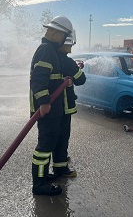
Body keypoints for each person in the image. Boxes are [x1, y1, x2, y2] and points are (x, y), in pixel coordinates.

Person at [30, 15, 73, 196]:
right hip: (47, 109)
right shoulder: (46, 50)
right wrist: (44, 102)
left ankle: (44, 176)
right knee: (45, 146)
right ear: (56, 33)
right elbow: (38, 78)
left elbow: (52, 79)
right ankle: (39, 184)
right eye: (64, 36)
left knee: (51, 142)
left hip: (53, 109)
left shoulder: (51, 51)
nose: (65, 40)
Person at [47, 33, 86, 180]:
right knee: (62, 139)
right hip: (64, 108)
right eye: (70, 45)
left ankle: (53, 169)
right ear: (64, 44)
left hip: (51, 108)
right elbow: (81, 79)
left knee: (52, 139)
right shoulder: (67, 62)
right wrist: (75, 70)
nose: (71, 48)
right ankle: (61, 169)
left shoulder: (52, 58)